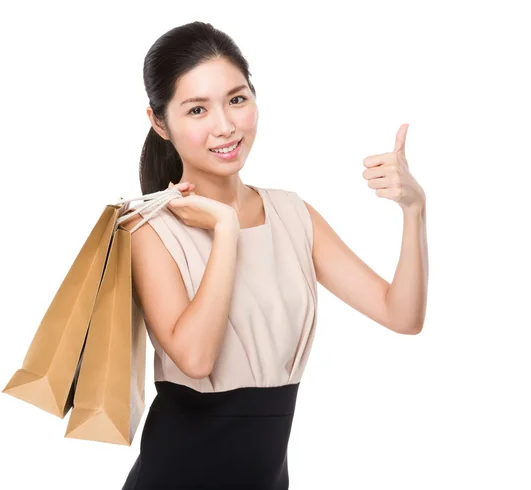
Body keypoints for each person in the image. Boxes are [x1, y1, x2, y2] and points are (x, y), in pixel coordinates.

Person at [120, 20, 427, 490]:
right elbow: (196, 359)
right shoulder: (149, 228)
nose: (225, 126)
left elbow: (401, 315)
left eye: (237, 99)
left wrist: (413, 209)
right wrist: (225, 229)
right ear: (159, 122)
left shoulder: (292, 214)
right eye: (197, 109)